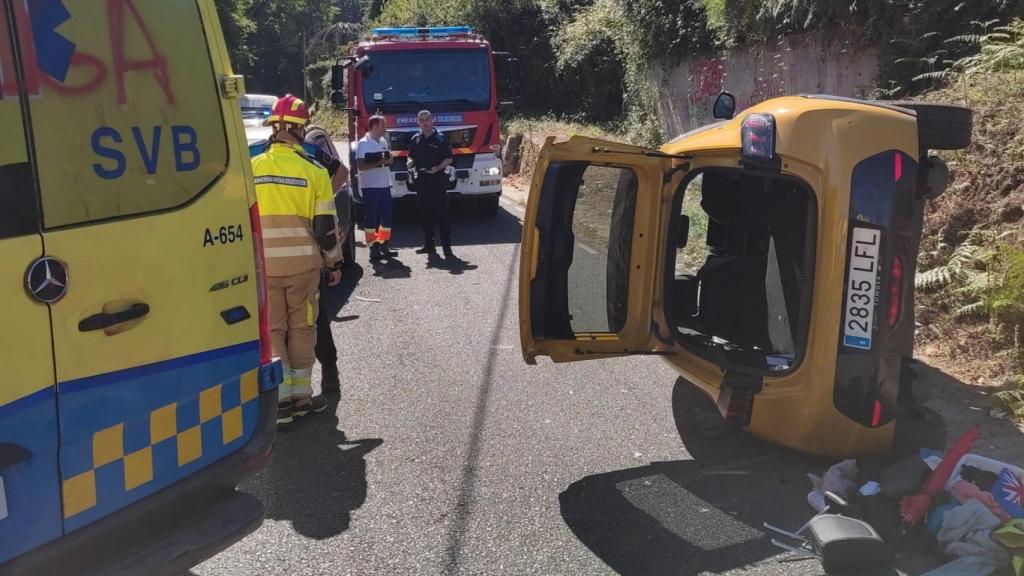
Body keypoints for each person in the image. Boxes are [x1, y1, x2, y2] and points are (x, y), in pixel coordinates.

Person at [251, 94, 342, 427]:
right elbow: (325, 230)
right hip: (303, 266)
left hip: (264, 268)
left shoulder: (251, 169)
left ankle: (281, 404)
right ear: (301, 130)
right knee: (302, 329)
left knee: (273, 330)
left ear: (274, 128)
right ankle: (302, 399)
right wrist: (334, 264)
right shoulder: (314, 171)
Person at [304, 123, 349, 395]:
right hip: (302, 259)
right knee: (313, 320)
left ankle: (296, 392)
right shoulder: (310, 153)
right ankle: (321, 378)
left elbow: (342, 173)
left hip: (280, 263)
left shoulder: (256, 156)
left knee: (307, 322)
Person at [408, 110, 455, 258]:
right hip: (422, 182)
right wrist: (409, 163)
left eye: (427, 119)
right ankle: (429, 245)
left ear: (432, 121)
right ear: (418, 122)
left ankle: (447, 248)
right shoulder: (416, 139)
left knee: (442, 216)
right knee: (424, 215)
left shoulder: (441, 138)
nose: (425, 123)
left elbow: (449, 159)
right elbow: (411, 157)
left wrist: (437, 168)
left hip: (438, 181)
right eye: (421, 120)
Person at [356, 115, 396, 261]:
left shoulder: (383, 141)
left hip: (384, 185)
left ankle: (384, 245)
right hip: (371, 187)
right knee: (372, 218)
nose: (385, 128)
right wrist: (380, 162)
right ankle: (373, 247)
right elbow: (361, 165)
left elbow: (388, 158)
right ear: (374, 126)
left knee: (387, 217)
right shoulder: (363, 143)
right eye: (382, 125)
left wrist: (389, 160)